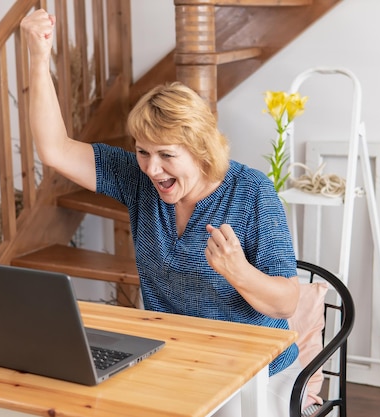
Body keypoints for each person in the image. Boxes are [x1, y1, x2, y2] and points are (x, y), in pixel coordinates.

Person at [21, 9, 302, 416]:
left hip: (252, 368)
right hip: (172, 358)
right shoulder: (138, 181)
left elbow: (287, 303)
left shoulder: (251, 192)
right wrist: (37, 56)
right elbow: (55, 149)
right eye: (143, 152)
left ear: (202, 150)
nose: (152, 169)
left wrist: (237, 270)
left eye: (167, 155)